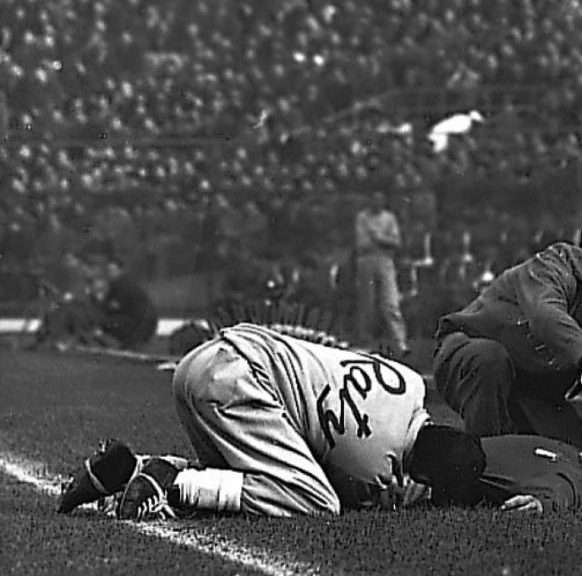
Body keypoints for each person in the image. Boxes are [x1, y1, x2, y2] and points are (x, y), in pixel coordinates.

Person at [57, 322, 486, 519]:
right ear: (425, 474)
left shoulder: (411, 383)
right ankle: (175, 482)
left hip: (209, 360)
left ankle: (133, 469)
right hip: (236, 383)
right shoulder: (375, 463)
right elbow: (331, 486)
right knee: (317, 501)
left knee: (250, 473)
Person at [433, 230, 582, 452]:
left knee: (571, 444)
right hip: (466, 358)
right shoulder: (557, 264)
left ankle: (511, 452)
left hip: (531, 386)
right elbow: (545, 314)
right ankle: (484, 463)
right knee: (489, 359)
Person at [354, 188, 410, 357]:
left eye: (380, 199)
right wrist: (381, 240)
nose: (377, 202)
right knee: (367, 304)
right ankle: (366, 343)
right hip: (366, 260)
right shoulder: (362, 217)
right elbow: (362, 243)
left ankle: (400, 343)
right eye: (374, 199)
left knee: (390, 303)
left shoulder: (389, 218)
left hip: (385, 260)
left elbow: (396, 242)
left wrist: (379, 238)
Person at [93, 256, 158, 350]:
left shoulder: (123, 286)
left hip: (140, 323)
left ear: (121, 270)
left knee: (104, 322)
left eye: (113, 270)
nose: (111, 274)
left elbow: (112, 307)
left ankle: (110, 343)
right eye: (109, 271)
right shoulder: (120, 284)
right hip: (141, 322)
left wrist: (98, 302)